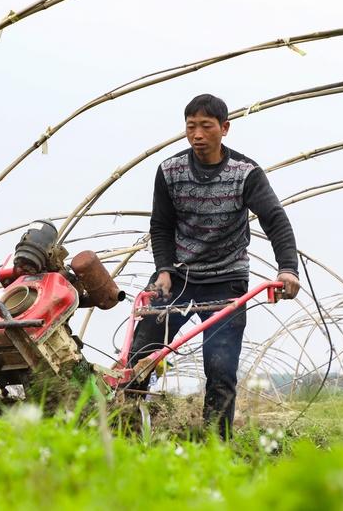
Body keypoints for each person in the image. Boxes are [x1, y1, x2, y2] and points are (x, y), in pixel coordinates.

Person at [128, 93, 300, 439]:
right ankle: (126, 429)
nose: (197, 135)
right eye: (191, 127)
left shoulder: (245, 173)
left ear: (224, 128)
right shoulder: (169, 171)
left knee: (220, 367)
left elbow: (274, 219)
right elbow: (160, 226)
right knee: (138, 359)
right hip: (176, 277)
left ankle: (215, 447)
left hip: (226, 280)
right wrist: (163, 269)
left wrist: (288, 269)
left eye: (206, 127)